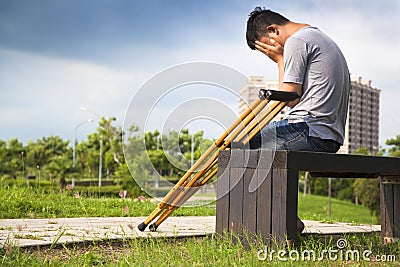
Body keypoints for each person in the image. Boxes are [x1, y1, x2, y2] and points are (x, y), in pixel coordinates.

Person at [246, 7, 351, 233]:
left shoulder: (297, 41)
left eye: (266, 47)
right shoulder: (319, 37)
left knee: (241, 147)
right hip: (328, 136)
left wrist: (279, 60)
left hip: (307, 129)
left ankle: (266, 222)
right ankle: (284, 219)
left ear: (273, 31)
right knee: (252, 146)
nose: (269, 53)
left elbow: (290, 97)